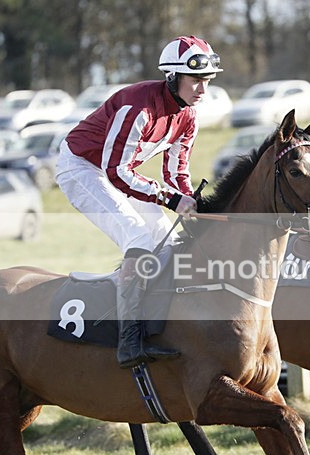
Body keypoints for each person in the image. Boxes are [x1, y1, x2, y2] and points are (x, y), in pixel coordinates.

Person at [55, 35, 222, 368]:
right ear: (173, 77)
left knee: (171, 241)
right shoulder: (139, 107)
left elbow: (177, 172)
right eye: (196, 80)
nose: (203, 89)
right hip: (81, 168)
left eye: (207, 80)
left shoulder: (189, 117)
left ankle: (161, 324)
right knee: (139, 237)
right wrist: (172, 199)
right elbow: (116, 172)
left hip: (116, 170)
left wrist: (191, 201)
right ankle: (128, 339)